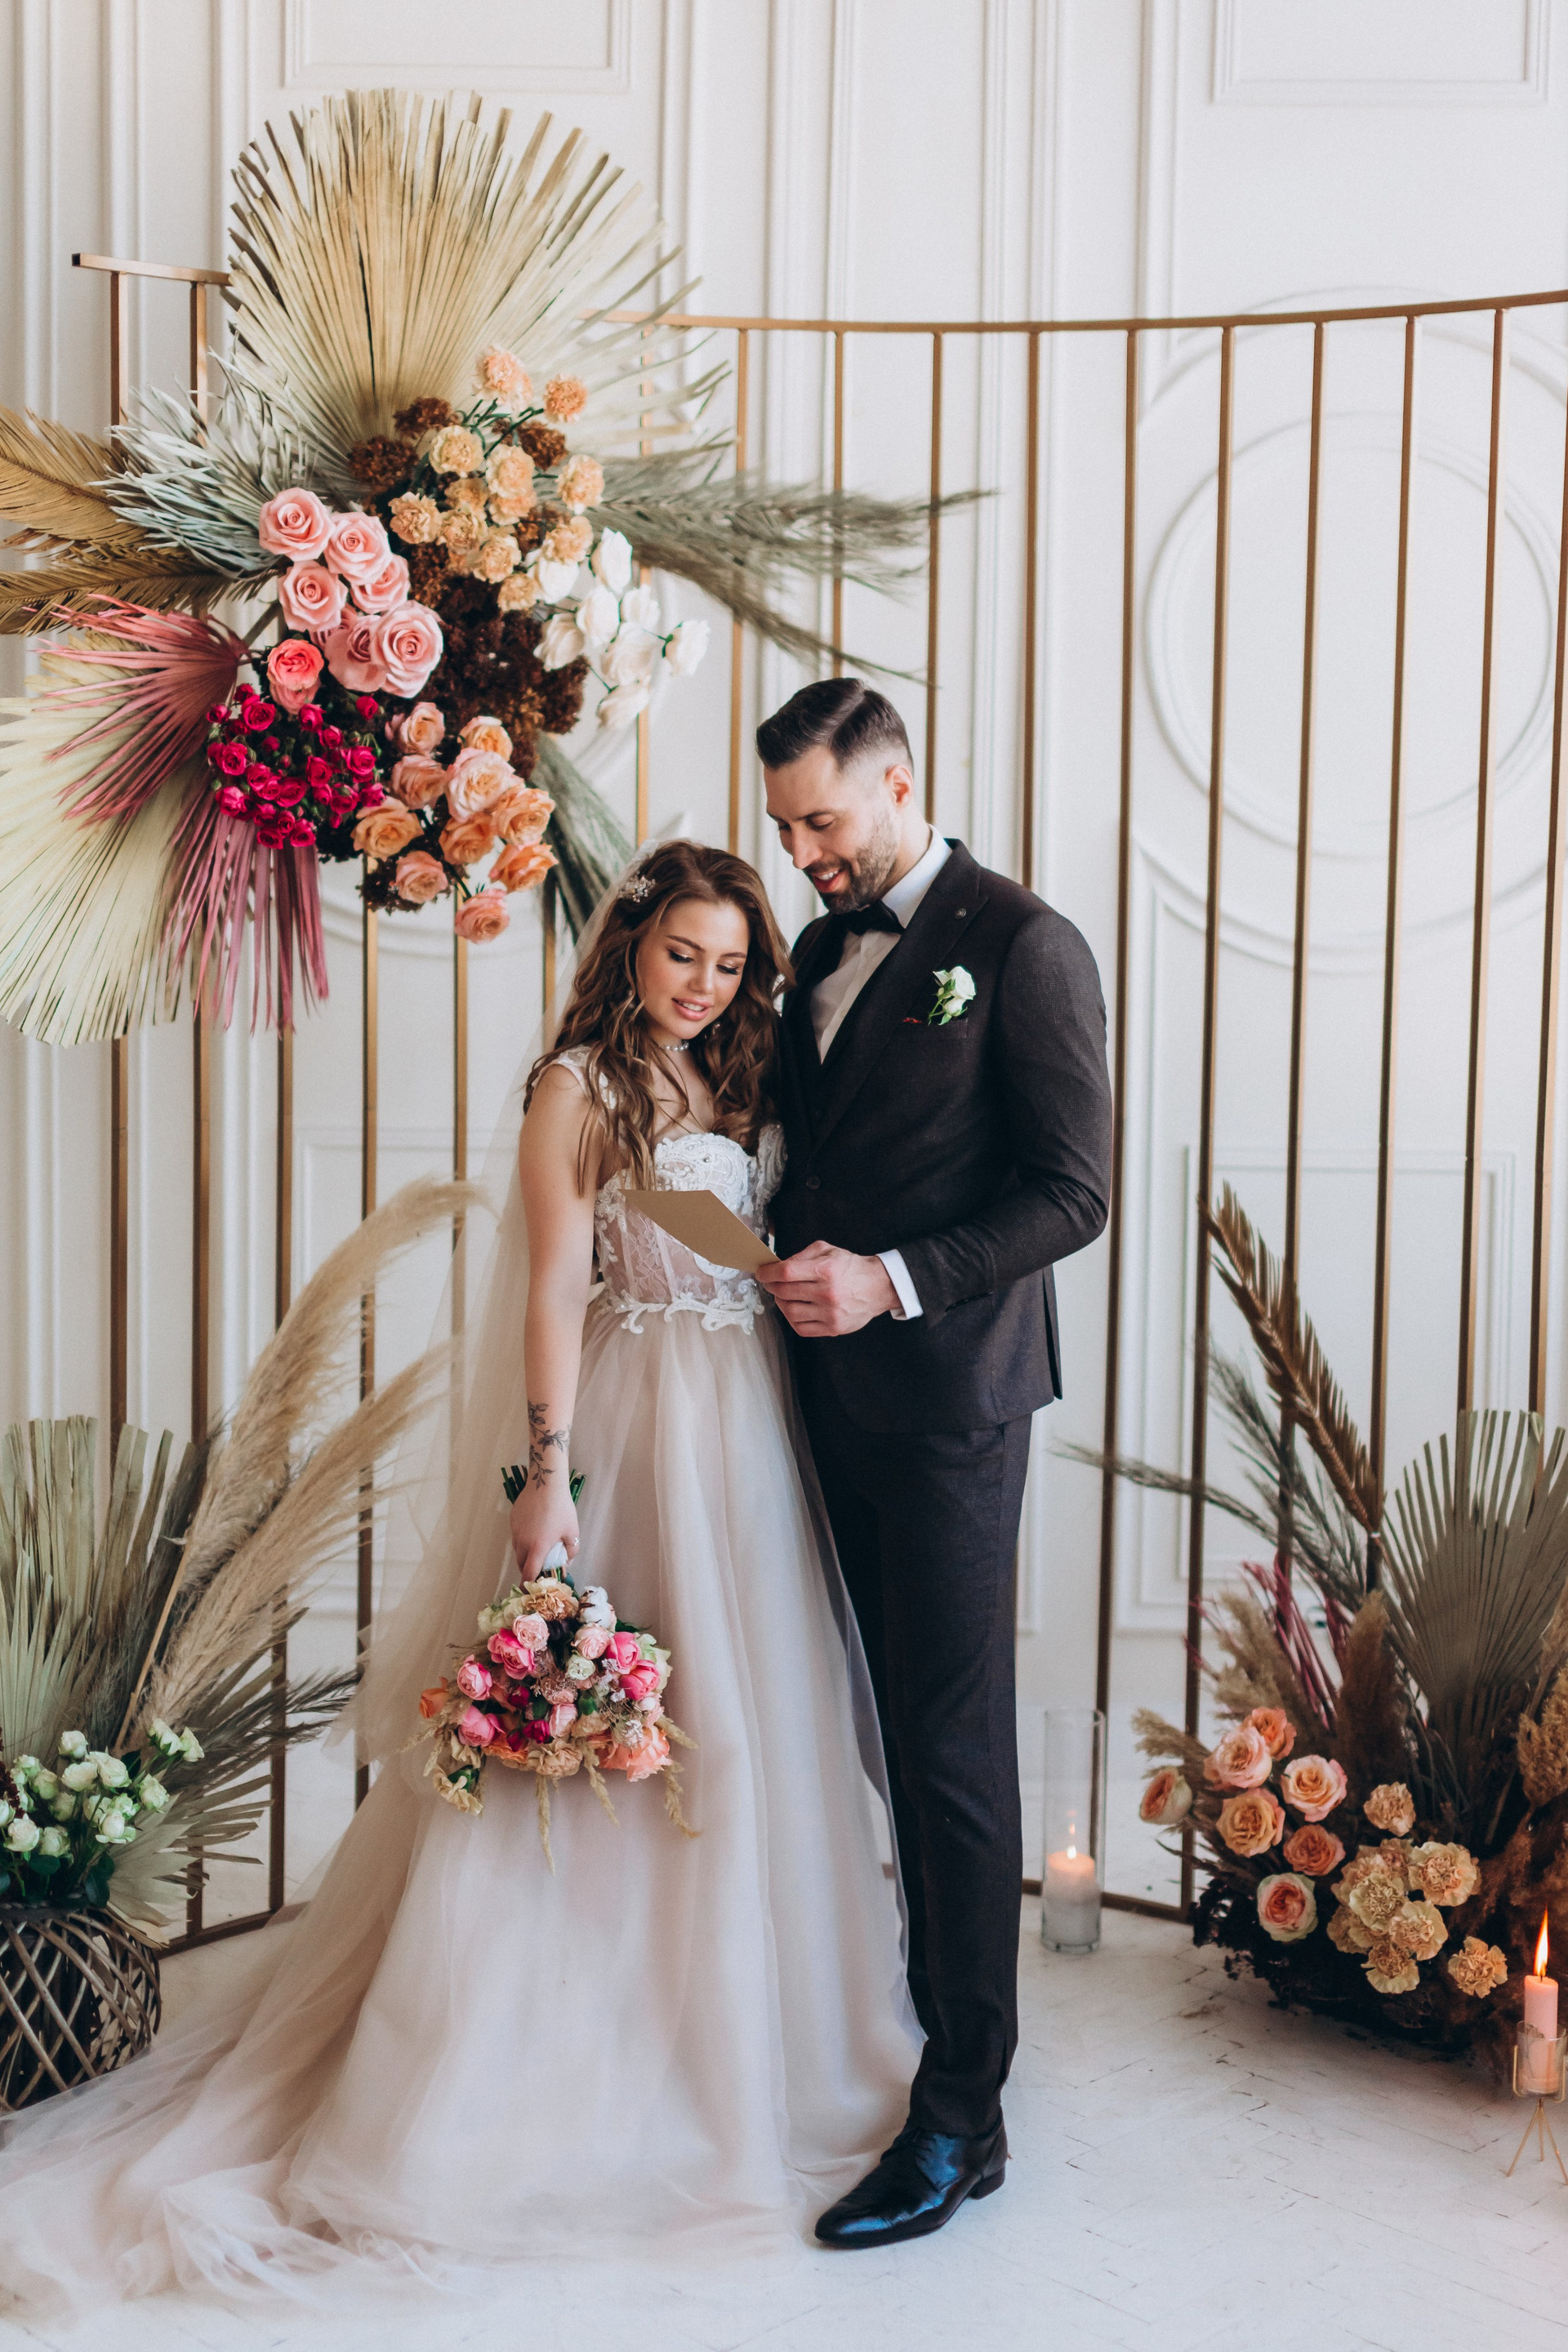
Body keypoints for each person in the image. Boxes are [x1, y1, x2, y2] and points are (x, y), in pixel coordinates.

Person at [0, 840, 917, 2315]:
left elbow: (738, 1242)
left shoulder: (737, 1079)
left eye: (731, 963)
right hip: (635, 1424)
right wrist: (546, 1470)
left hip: (747, 1424)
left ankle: (754, 2043)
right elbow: (555, 1285)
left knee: (743, 1727)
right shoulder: (578, 1087)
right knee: (603, 1738)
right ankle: (546, 2054)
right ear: (631, 946)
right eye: (682, 954)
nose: (703, 985)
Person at [756, 677, 1113, 2251]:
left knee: (950, 1748)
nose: (804, 857)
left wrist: (893, 1281)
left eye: (823, 822)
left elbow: (1073, 1192)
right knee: (867, 1725)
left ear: (899, 782)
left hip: (954, 1402)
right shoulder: (815, 950)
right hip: (812, 1398)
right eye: (786, 830)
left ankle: (964, 2115)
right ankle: (897, 2032)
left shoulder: (1024, 945)